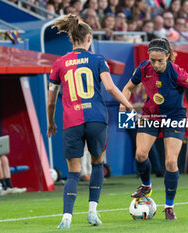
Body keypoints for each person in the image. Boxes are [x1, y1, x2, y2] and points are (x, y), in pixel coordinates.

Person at [47, 14, 133, 229]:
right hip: (96, 119)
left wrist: (51, 123)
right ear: (89, 38)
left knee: (74, 172)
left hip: (71, 121)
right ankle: (92, 213)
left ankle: (66, 218)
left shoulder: (59, 63)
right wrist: (128, 105)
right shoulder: (97, 59)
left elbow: (50, 102)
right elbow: (111, 87)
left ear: (71, 39)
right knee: (97, 164)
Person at [121, 38, 188, 220]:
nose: (156, 64)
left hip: (174, 118)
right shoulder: (144, 68)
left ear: (168, 56)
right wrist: (124, 104)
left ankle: (169, 206)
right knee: (140, 154)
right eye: (153, 60)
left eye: (160, 60)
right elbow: (128, 87)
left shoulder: (177, 73)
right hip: (150, 115)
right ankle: (146, 185)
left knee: (170, 162)